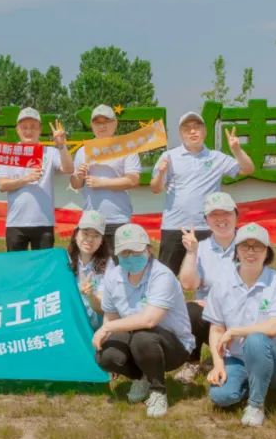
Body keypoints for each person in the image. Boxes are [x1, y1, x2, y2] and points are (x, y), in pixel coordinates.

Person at [93, 223, 195, 418]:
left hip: (172, 345)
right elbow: (111, 316)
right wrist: (110, 337)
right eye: (125, 252)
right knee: (106, 354)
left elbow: (149, 320)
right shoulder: (113, 277)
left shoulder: (162, 275)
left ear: (148, 249)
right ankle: (141, 377)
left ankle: (158, 391)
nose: (130, 257)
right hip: (136, 339)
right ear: (117, 254)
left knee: (143, 337)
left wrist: (106, 328)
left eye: (136, 251)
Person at [205, 223, 276, 427]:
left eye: (258, 246)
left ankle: (256, 404)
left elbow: (274, 327)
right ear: (236, 250)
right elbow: (216, 329)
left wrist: (236, 331)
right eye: (245, 246)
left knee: (255, 339)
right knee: (221, 397)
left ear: (267, 251)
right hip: (238, 359)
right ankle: (253, 382)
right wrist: (218, 364)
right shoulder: (222, 283)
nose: (251, 252)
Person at [150, 110, 254, 275]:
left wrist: (236, 150)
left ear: (204, 131)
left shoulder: (216, 157)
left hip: (208, 227)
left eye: (197, 127)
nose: (192, 131)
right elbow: (155, 188)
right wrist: (161, 173)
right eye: (187, 128)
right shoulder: (169, 156)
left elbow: (247, 169)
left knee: (210, 276)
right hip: (175, 227)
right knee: (166, 276)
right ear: (180, 134)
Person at [175, 191, 239, 384]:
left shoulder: (249, 244)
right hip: (210, 314)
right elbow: (188, 284)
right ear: (206, 219)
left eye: (226, 213)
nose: (221, 219)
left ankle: (227, 357)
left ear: (236, 215)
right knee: (190, 310)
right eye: (214, 215)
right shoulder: (201, 247)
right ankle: (192, 361)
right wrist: (192, 253)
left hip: (241, 312)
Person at [0, 107, 74, 251]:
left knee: (42, 264)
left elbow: (69, 169)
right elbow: (2, 185)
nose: (29, 131)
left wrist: (62, 146)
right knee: (16, 264)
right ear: (17, 129)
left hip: (43, 223)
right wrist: (26, 179)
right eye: (24, 127)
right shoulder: (9, 153)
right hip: (16, 223)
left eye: (33, 127)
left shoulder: (50, 152)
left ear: (40, 129)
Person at [69, 105, 141, 252]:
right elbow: (76, 184)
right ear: (92, 126)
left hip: (118, 219)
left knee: (118, 264)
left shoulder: (127, 147)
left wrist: (102, 183)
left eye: (106, 122)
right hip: (90, 220)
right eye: (97, 123)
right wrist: (78, 176)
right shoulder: (83, 151)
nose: (102, 126)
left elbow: (133, 180)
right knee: (89, 264)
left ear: (115, 123)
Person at [67, 210, 111, 331]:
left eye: (96, 236)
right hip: (68, 323)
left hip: (94, 328)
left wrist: (91, 295)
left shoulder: (109, 266)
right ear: (76, 234)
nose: (89, 239)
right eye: (85, 233)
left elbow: (102, 310)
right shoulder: (63, 260)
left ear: (101, 241)